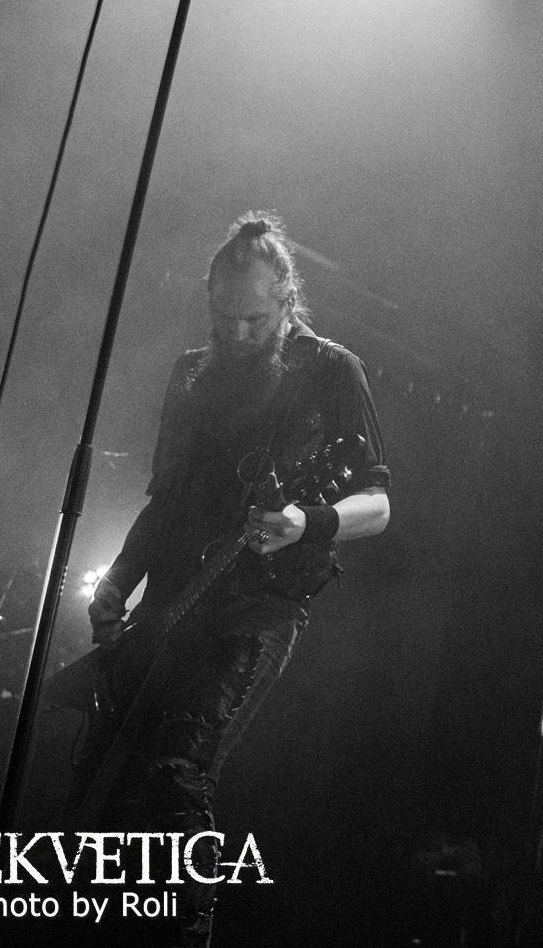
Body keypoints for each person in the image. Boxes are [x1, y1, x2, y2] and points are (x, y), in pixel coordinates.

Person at [82, 211, 391, 945]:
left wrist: (306, 521)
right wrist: (118, 580)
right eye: (225, 318)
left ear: (287, 299)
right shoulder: (191, 373)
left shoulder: (330, 370)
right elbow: (165, 499)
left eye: (254, 318)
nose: (239, 332)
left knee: (178, 768)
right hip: (170, 604)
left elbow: (378, 504)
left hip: (257, 607)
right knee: (111, 790)